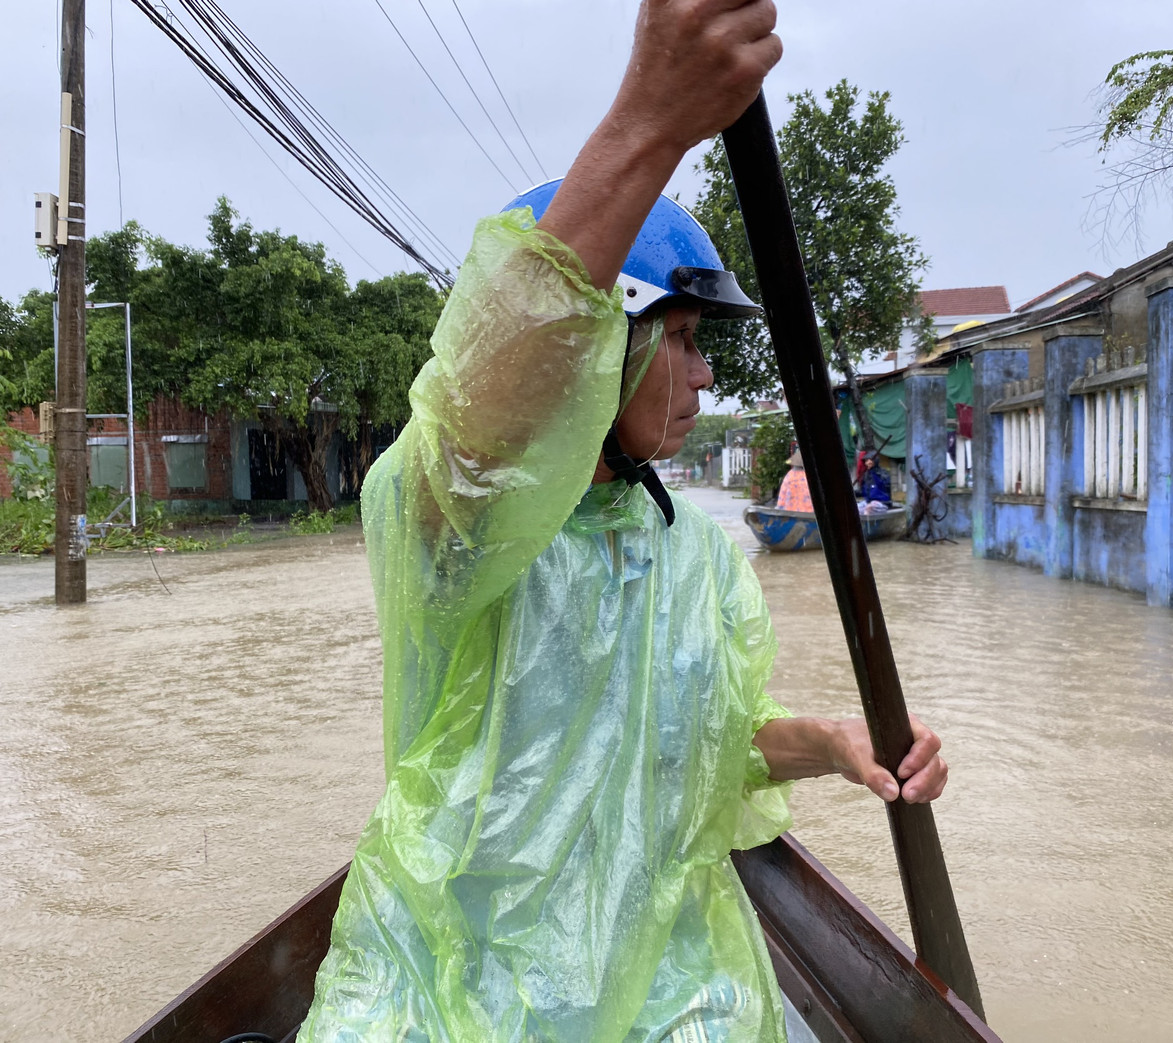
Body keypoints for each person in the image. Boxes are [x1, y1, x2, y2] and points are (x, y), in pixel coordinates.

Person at [299, 3, 947, 1040]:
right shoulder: (445, 526)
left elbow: (715, 747)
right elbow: (485, 408)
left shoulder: (692, 553)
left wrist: (835, 742)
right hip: (451, 973)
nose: (703, 374)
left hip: (663, 968)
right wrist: (651, 118)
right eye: (680, 337)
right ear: (596, 350)